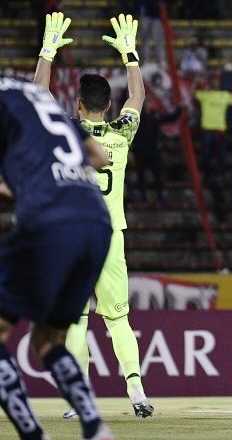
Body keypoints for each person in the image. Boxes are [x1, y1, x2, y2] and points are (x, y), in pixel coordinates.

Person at [33, 12, 155, 419]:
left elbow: (37, 96)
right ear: (107, 105)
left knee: (76, 319)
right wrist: (131, 57)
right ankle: (137, 394)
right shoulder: (122, 133)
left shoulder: (66, 132)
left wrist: (47, 52)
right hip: (110, 236)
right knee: (118, 319)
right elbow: (137, 98)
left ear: (79, 104)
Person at [0, 76, 116, 440]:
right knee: (48, 340)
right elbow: (99, 156)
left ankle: (33, 434)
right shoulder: (38, 98)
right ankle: (94, 426)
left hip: (49, 220)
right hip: (96, 222)